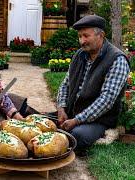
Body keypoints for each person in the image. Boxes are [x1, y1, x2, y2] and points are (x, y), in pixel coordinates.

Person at [56, 15, 130, 154]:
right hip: (72, 113)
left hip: (98, 120)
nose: (81, 41)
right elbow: (65, 84)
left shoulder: (117, 59)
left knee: (76, 136)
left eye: (85, 36)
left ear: (101, 35)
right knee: (38, 120)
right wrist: (61, 108)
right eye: (79, 36)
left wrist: (77, 120)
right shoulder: (79, 55)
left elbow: (106, 101)